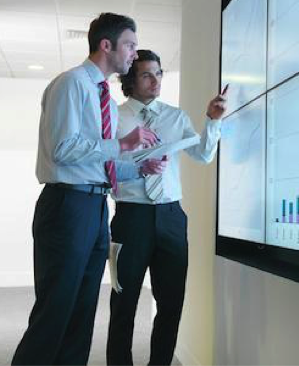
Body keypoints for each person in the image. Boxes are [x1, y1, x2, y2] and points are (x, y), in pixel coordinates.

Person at [12, 13, 167, 366]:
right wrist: (123, 145)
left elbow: (99, 163)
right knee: (56, 310)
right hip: (67, 205)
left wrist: (140, 168)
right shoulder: (71, 84)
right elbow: (63, 149)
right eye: (129, 44)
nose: (133, 52)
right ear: (106, 45)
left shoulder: (106, 99)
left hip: (95, 208)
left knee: (82, 314)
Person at [107, 49, 227, 366]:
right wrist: (134, 164)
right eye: (147, 74)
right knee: (124, 302)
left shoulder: (176, 117)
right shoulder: (114, 117)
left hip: (172, 217)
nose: (155, 80)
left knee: (171, 303)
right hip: (130, 216)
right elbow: (101, 167)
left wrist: (212, 121)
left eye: (159, 73)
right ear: (130, 79)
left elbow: (202, 155)